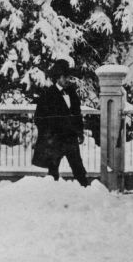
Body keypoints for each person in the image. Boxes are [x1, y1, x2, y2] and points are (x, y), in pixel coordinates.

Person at [32, 59, 89, 187]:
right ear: (58, 77)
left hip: (71, 138)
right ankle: (53, 195)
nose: (68, 80)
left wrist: (80, 132)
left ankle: (87, 190)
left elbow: (77, 114)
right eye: (65, 77)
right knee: (53, 169)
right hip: (55, 139)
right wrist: (49, 134)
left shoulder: (72, 93)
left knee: (78, 166)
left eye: (69, 77)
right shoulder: (47, 94)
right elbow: (39, 118)